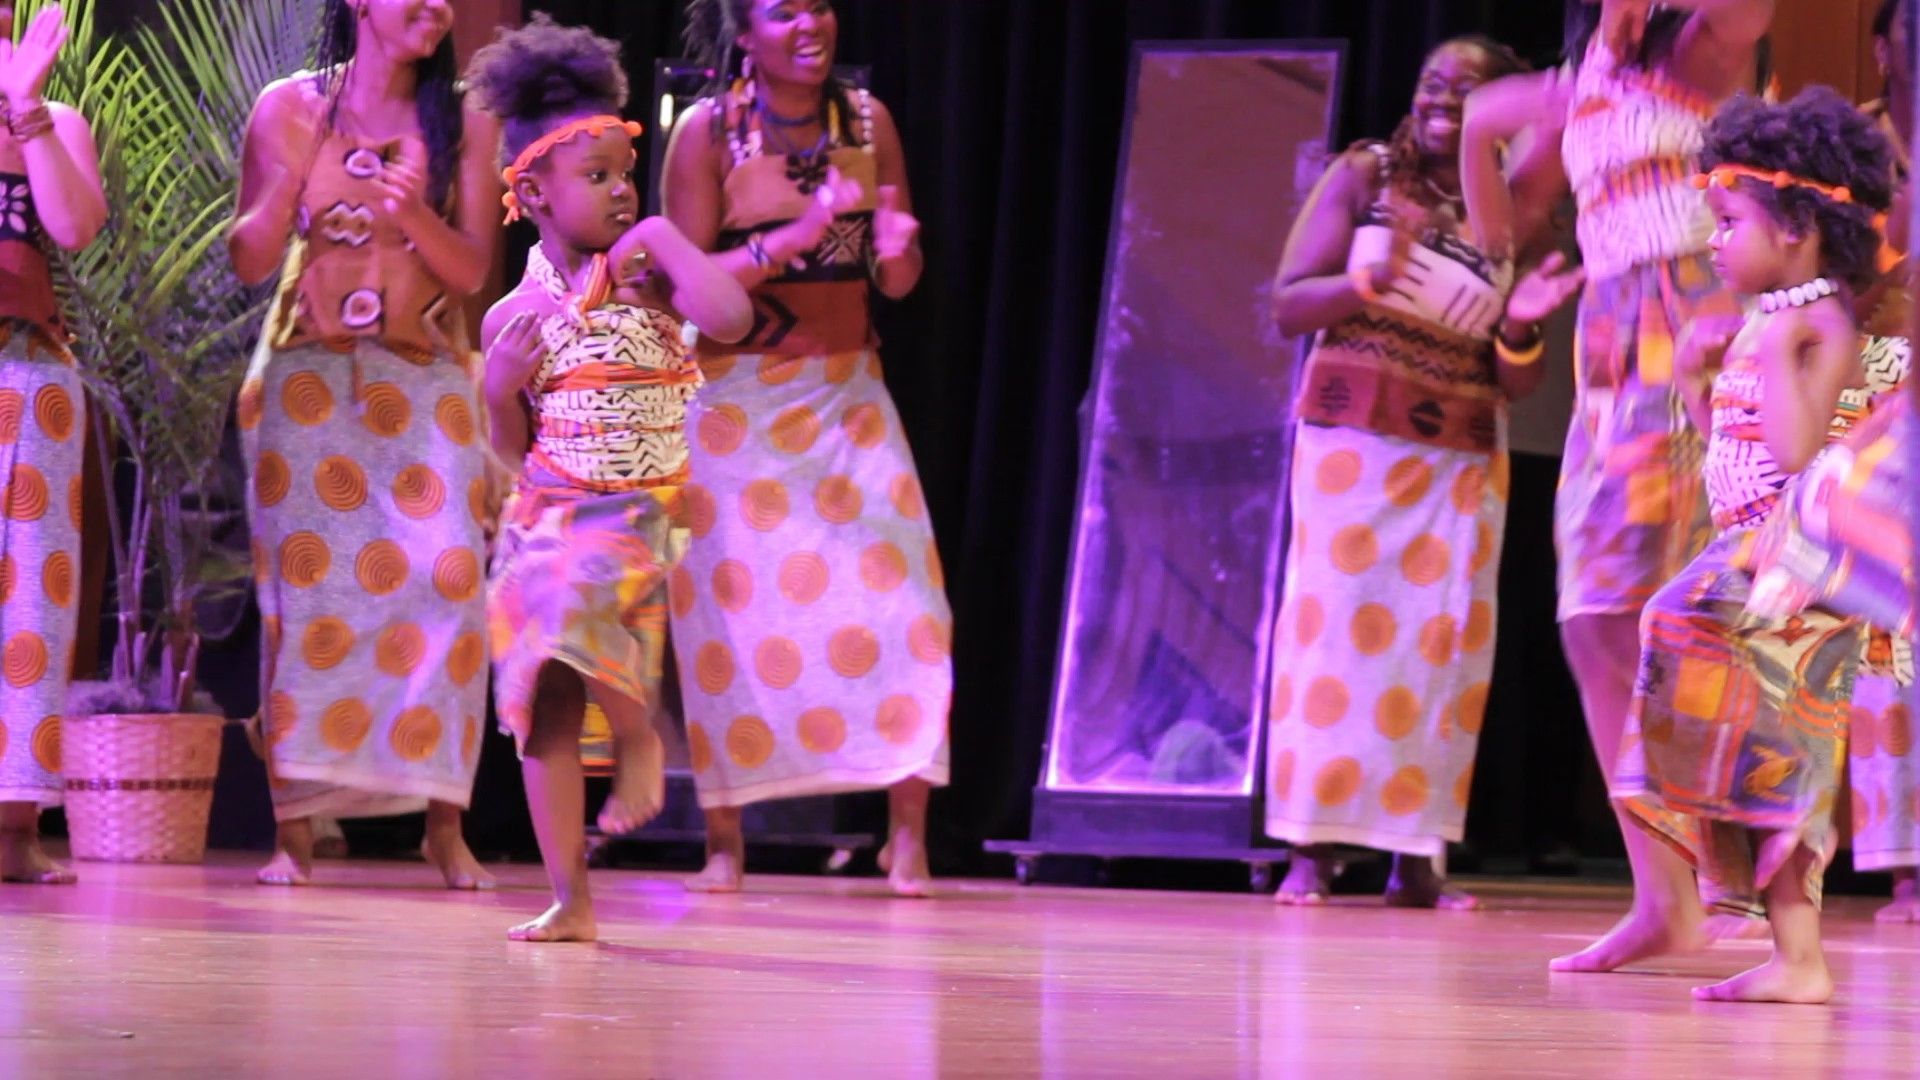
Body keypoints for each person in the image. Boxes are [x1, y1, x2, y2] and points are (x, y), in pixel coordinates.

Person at [1461, 0, 1773, 969]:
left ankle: (1731, 881)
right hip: (1612, 344)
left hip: (1692, 321)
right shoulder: (1586, 77)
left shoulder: (1700, 42)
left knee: (1685, 602)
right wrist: (1482, 128)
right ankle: (1666, 891)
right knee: (1597, 612)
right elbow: (1508, 221)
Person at [1264, 36, 1583, 907]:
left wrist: (1521, 327)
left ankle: (1417, 855)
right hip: (1352, 447)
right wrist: (1364, 288)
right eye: (1431, 79)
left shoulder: (1517, 209)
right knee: (1332, 643)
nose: (1445, 98)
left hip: (1461, 456)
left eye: (1469, 88)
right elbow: (1289, 302)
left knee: (1438, 651)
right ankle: (1310, 849)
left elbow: (1518, 371)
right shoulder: (1366, 175)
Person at [1612, 87, 1899, 1004]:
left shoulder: (1815, 325)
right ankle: (1773, 942)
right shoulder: (1779, 316)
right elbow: (1731, 444)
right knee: (1762, 746)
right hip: (1749, 554)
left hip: (1792, 574)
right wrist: (1705, 380)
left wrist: (1770, 353)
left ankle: (1791, 953)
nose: (1714, 240)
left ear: (1797, 226)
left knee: (1775, 750)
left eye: (1729, 220)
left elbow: (1795, 452)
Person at [468, 15, 751, 943]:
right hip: (552, 498)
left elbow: (734, 317)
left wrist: (670, 239)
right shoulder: (513, 313)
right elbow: (507, 447)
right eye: (597, 179)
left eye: (625, 174)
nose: (622, 192)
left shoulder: (648, 274)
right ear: (533, 193)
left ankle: (637, 737)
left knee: (571, 592)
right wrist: (501, 386)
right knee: (542, 693)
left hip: (642, 502)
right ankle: (571, 901)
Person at [660, 0, 952, 897]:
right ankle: (724, 840)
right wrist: (784, 244)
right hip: (734, 411)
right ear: (744, 33)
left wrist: (900, 252)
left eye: (818, 6)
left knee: (908, 604)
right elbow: (683, 290)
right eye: (783, 11)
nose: (808, 24)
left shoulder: (868, 121)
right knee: (732, 623)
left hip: (846, 397)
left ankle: (907, 837)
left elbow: (895, 277)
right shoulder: (708, 132)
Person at [227, 0, 500, 888]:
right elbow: (249, 257)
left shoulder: (466, 114)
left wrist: (414, 212)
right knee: (302, 595)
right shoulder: (290, 106)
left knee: (450, 577)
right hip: (309, 380)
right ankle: (296, 831)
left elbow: (471, 271)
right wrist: (291, 174)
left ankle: (443, 824)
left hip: (424, 376)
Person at [0, 1, 105, 885]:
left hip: (30, 379)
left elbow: (74, 227)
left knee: (31, 603)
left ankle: (15, 828)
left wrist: (26, 107)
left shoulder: (57, 118)